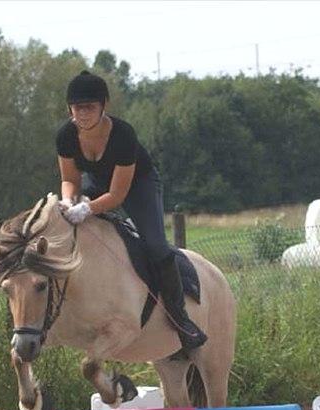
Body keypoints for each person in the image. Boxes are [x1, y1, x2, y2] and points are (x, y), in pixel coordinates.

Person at [55, 70, 207, 352]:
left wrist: (87, 208)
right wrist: (68, 201)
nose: (83, 114)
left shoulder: (123, 134)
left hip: (138, 185)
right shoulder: (65, 135)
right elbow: (69, 180)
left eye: (89, 107)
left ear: (104, 106)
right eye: (77, 108)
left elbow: (118, 195)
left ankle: (180, 317)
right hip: (97, 183)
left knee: (156, 245)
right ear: (69, 109)